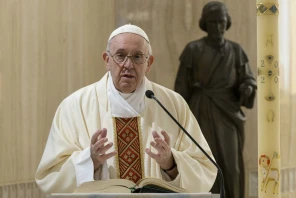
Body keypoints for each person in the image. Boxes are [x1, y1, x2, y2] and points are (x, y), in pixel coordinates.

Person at [35, 24, 217, 194]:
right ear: (107, 60)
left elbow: (205, 169)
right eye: (120, 56)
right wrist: (90, 160)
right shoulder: (74, 106)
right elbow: (50, 176)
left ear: (149, 63)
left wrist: (171, 163)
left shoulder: (173, 104)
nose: (128, 65)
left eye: (137, 57)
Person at [174, 2, 257, 198]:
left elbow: (248, 78)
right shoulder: (192, 50)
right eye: (213, 22)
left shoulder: (236, 51)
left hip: (228, 114)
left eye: (221, 22)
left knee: (231, 165)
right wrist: (180, 122)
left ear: (227, 23)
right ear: (204, 23)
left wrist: (248, 87)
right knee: (204, 164)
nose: (218, 27)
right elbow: (180, 91)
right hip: (201, 112)